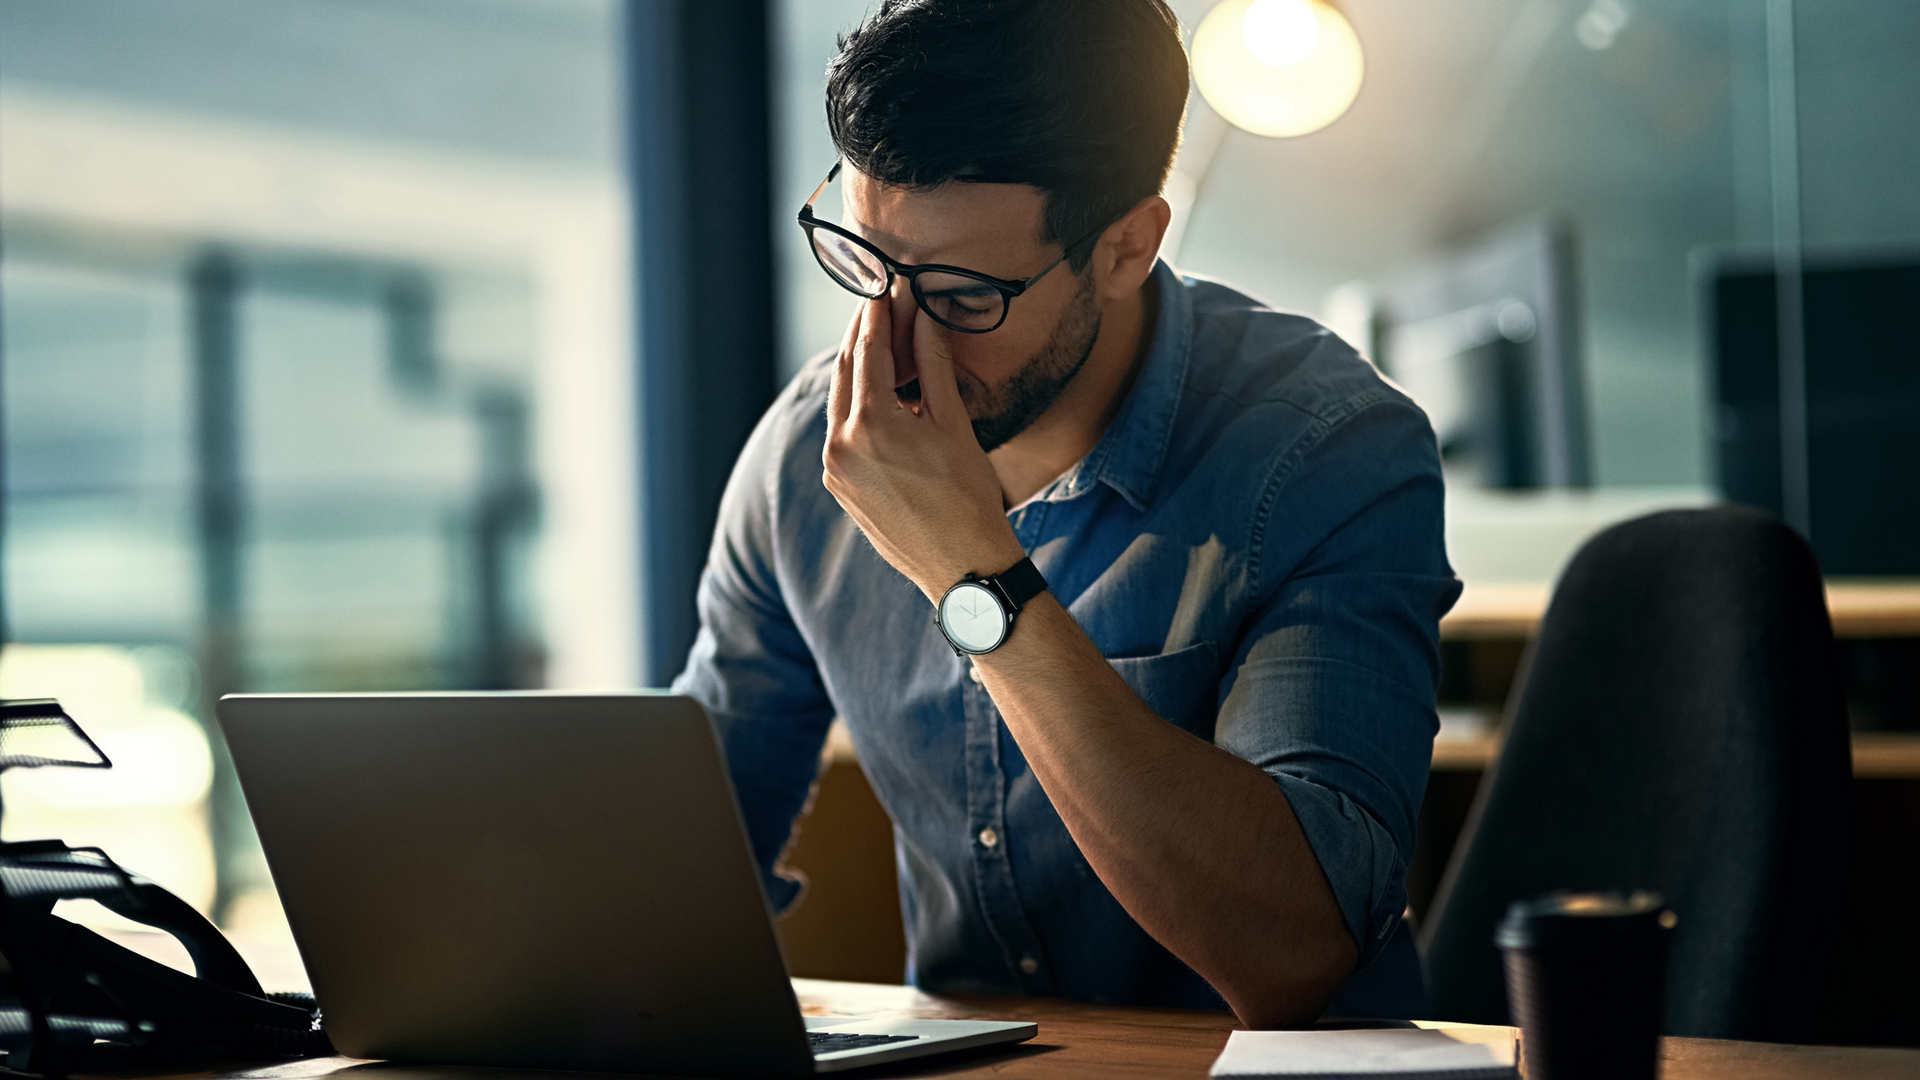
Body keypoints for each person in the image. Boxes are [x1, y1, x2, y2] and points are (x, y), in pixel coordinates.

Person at [673, 0, 1459, 1026]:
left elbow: (1297, 949)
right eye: (867, 263)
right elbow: (686, 850)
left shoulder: (1326, 452)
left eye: (961, 297)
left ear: (1127, 246)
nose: (895, 343)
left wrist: (972, 576)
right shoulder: (805, 459)